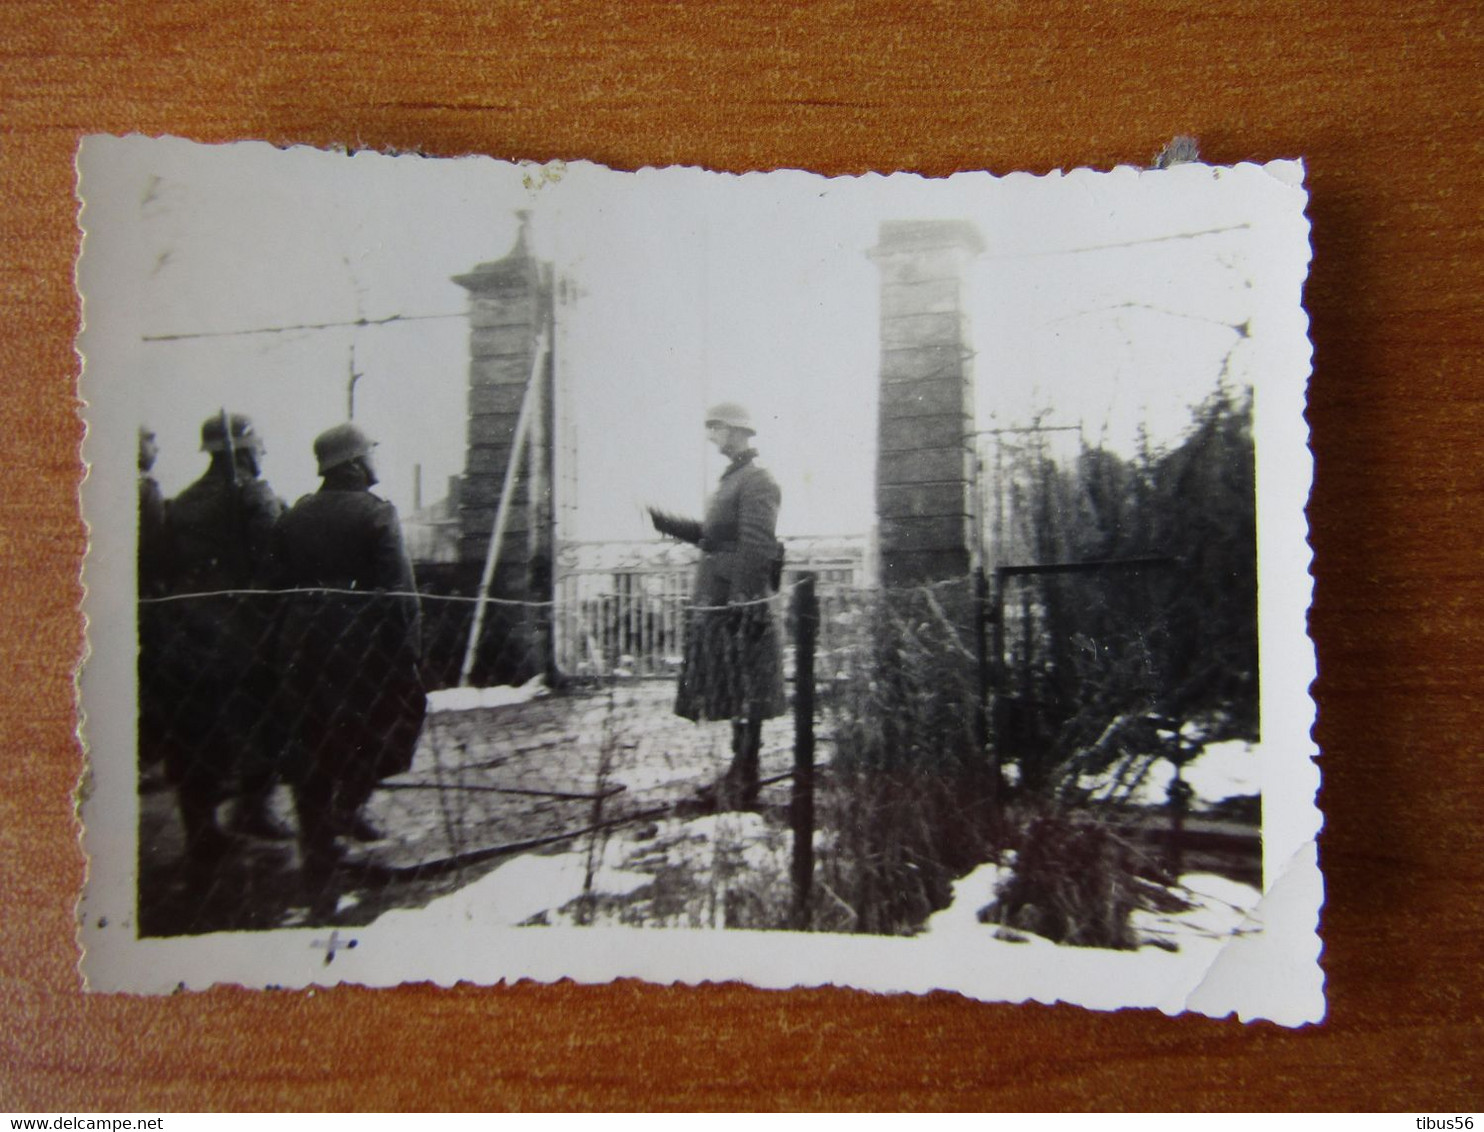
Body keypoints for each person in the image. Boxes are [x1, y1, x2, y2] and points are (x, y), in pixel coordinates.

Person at [270, 422, 426, 896]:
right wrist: (409, 656)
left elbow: (270, 587)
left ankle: (318, 843)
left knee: (310, 735)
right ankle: (349, 806)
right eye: (371, 453)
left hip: (299, 645)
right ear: (355, 463)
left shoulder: (294, 514)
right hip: (362, 646)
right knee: (393, 718)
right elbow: (399, 594)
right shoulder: (378, 514)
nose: (376, 460)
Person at [156, 411, 290, 866]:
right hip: (244, 635)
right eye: (259, 447)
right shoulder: (253, 494)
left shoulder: (184, 502)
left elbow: (166, 564)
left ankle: (202, 830)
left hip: (187, 633)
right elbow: (274, 558)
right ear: (248, 450)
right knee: (264, 718)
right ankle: (254, 810)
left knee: (194, 731)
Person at [649, 402, 786, 810]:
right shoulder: (736, 479)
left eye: (715, 428)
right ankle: (739, 773)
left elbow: (757, 545)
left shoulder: (758, 480)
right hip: (722, 598)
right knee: (732, 685)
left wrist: (745, 602)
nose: (710, 436)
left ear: (735, 430)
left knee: (745, 686)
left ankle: (746, 776)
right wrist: (669, 523)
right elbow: (714, 535)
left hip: (737, 600)